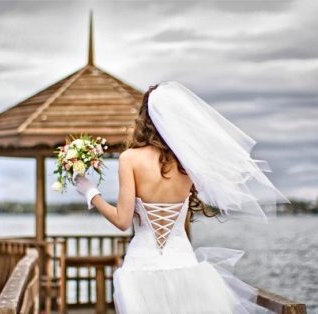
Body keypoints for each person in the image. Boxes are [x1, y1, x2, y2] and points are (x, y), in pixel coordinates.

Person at [74, 81, 288, 313]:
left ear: (145, 119)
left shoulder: (130, 159)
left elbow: (123, 221)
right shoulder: (190, 163)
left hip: (143, 268)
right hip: (185, 266)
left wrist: (90, 192)